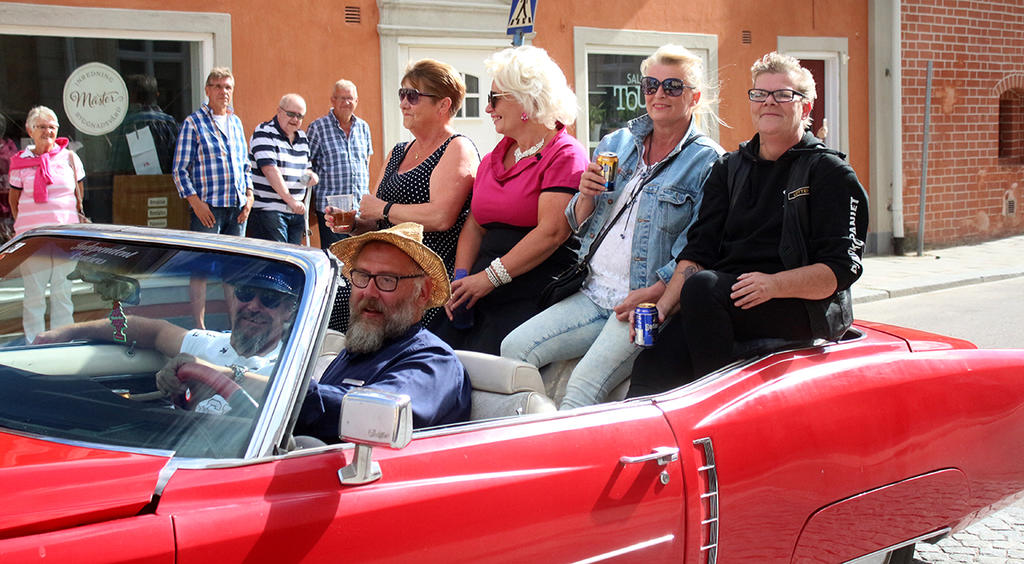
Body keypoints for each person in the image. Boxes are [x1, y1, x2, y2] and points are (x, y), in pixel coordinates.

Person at [626, 52, 869, 397]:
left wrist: (773, 285)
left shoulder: (830, 173)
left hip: (798, 304)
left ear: (806, 107)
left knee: (703, 289)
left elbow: (839, 272)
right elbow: (700, 250)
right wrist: (663, 307)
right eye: (760, 94)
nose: (769, 102)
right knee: (653, 363)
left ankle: (719, 405)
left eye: (783, 94)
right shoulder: (729, 168)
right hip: (724, 298)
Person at [500, 45, 725, 409]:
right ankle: (529, 434)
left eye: (672, 86)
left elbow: (698, 247)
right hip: (592, 291)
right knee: (513, 348)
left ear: (694, 97)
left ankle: (566, 447)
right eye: (651, 85)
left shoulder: (708, 161)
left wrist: (656, 293)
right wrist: (586, 196)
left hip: (643, 301)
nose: (659, 94)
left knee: (582, 386)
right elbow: (577, 222)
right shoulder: (617, 142)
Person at [432, 45, 588, 355]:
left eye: (495, 98)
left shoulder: (565, 154)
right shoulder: (494, 157)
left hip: (532, 286)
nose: (487, 108)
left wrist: (487, 280)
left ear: (527, 99)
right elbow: (475, 224)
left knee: (484, 365)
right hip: (480, 287)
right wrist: (461, 280)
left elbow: (552, 233)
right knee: (432, 354)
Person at [324, 59, 478, 331]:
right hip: (382, 274)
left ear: (443, 105)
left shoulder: (457, 147)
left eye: (413, 96)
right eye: (402, 94)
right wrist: (353, 225)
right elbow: (377, 222)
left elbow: (441, 216)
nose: (404, 103)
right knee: (330, 307)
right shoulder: (398, 151)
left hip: (422, 283)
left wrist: (384, 209)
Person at [295, 222, 472, 443]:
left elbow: (381, 415)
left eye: (387, 280)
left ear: (422, 293)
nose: (369, 292)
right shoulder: (359, 349)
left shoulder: (434, 361)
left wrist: (289, 392)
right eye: (362, 276)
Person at [36, 268, 300, 413]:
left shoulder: (287, 365)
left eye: (269, 300)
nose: (253, 306)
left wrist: (210, 373)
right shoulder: (208, 343)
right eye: (246, 294)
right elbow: (151, 330)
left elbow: (288, 392)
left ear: (288, 310)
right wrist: (69, 332)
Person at [172, 67, 254, 329]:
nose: (223, 92)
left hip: (237, 208)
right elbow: (179, 170)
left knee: (233, 270)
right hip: (208, 209)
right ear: (207, 90)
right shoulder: (193, 123)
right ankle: (199, 327)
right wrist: (196, 203)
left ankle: (235, 325)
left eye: (227, 87)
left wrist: (249, 196)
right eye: (217, 86)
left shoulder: (236, 123)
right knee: (201, 269)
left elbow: (245, 166)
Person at [7, 106, 86, 343]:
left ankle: (62, 340)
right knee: (34, 294)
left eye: (52, 127)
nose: (47, 131)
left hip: (65, 236)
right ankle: (34, 342)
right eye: (41, 127)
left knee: (63, 291)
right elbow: (13, 199)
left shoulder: (70, 157)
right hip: (33, 238)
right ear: (30, 130)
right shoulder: (19, 162)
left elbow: (79, 193)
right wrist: (27, 223)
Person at [307, 79, 373, 249]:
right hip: (332, 211)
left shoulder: (363, 128)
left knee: (359, 257)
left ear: (356, 101)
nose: (346, 102)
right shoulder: (318, 128)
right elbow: (308, 163)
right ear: (333, 100)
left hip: (359, 210)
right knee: (335, 256)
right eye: (342, 98)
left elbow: (366, 161)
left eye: (350, 98)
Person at [247, 93, 318, 244]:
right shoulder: (264, 132)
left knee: (292, 257)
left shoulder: (302, 137)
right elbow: (270, 171)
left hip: (296, 212)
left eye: (300, 116)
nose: (295, 119)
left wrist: (311, 176)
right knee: (277, 256)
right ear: (279, 111)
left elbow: (305, 170)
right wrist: (291, 201)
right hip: (269, 212)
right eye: (291, 114)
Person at [109, 74, 180, 174]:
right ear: (157, 95)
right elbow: (180, 161)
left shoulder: (124, 125)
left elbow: (115, 166)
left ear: (130, 96)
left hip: (130, 182)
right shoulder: (169, 123)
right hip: (166, 182)